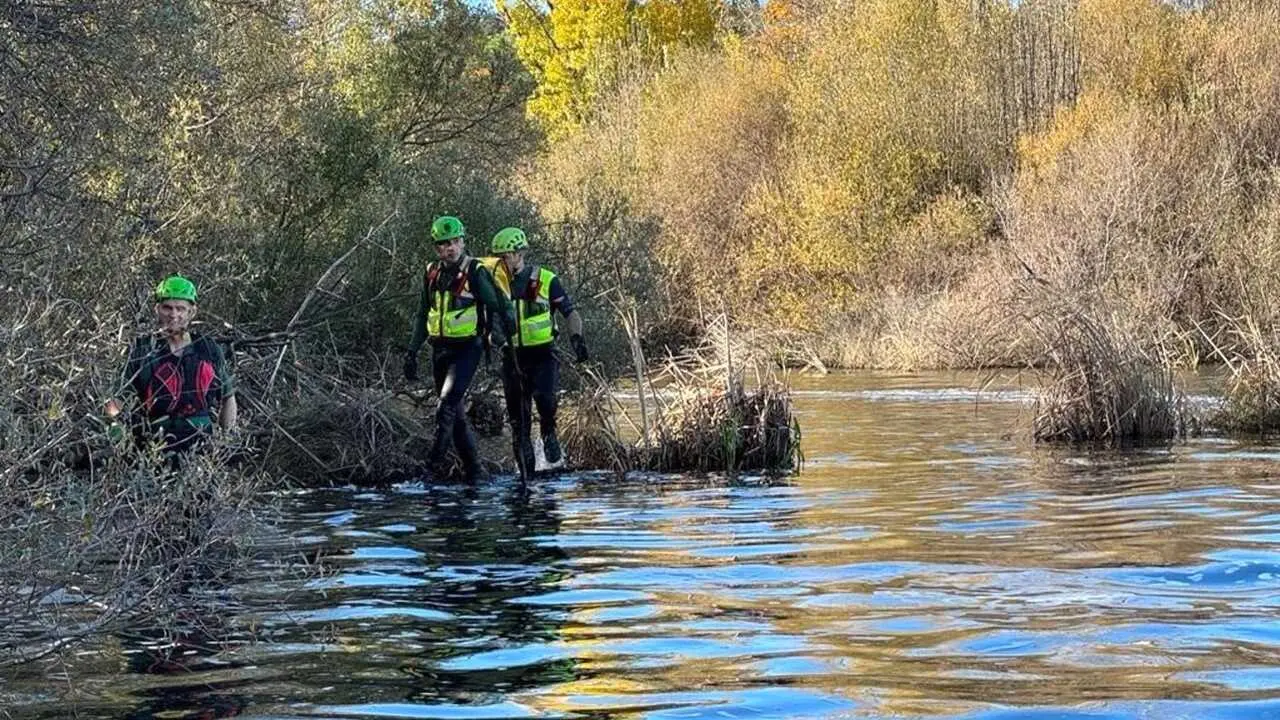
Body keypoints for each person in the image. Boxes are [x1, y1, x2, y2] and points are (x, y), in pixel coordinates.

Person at [404, 215, 516, 481]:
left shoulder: (475, 272)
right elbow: (422, 314)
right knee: (456, 419)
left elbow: (499, 306)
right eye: (444, 244)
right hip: (439, 349)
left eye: (455, 242)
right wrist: (411, 352)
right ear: (436, 248)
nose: (450, 248)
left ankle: (430, 470)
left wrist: (502, 339)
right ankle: (475, 472)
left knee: (446, 406)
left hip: (468, 348)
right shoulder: (431, 272)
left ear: (463, 242)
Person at [484, 227, 588, 480]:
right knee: (519, 421)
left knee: (546, 400)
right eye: (497, 257)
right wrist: (491, 341)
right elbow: (485, 322)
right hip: (512, 358)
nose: (502, 262)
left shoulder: (546, 279)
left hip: (543, 355)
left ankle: (549, 432)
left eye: (506, 256)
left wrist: (577, 339)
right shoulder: (492, 285)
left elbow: (570, 313)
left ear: (520, 253)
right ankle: (526, 478)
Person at [107, 275, 237, 464]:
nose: (173, 314)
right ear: (157, 309)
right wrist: (119, 440)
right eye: (167, 307)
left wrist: (226, 443)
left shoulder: (208, 348)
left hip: (201, 449)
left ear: (192, 312)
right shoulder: (141, 350)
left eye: (180, 308)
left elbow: (228, 396)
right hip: (154, 448)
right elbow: (115, 401)